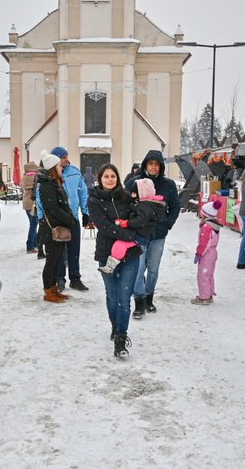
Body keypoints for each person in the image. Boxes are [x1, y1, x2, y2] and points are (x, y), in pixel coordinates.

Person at [87, 164, 142, 357]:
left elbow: (139, 217)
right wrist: (130, 234)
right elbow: (104, 226)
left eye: (113, 176)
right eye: (106, 177)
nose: (110, 180)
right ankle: (114, 324)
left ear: (117, 178)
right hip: (107, 255)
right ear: (100, 179)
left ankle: (121, 339)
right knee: (112, 296)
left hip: (130, 255)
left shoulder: (126, 197)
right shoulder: (93, 200)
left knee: (124, 299)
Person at [125, 150, 180, 318]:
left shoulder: (168, 184)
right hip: (139, 234)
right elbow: (125, 204)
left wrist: (167, 223)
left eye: (157, 164)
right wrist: (132, 223)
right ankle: (139, 300)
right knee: (139, 268)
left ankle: (149, 297)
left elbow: (175, 207)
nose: (153, 167)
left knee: (153, 269)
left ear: (161, 166)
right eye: (150, 164)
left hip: (159, 234)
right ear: (145, 165)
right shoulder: (134, 182)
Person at [44, 146, 89, 292]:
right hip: (59, 219)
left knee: (74, 250)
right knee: (59, 251)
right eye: (63, 158)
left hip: (73, 217)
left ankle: (75, 279)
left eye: (67, 156)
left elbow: (83, 192)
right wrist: (41, 217)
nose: (66, 160)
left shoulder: (75, 171)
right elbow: (40, 198)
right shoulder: (51, 175)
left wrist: (85, 212)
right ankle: (60, 278)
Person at [99, 178, 165, 275]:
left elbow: (140, 221)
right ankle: (112, 265)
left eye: (134, 193)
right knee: (120, 244)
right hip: (143, 234)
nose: (132, 195)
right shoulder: (149, 204)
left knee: (120, 244)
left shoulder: (145, 207)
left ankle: (111, 266)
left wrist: (126, 223)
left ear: (142, 193)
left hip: (140, 234)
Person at [37, 151, 76, 303]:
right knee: (51, 261)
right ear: (52, 168)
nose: (61, 168)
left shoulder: (54, 183)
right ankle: (48, 292)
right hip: (51, 229)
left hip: (58, 227)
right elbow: (53, 209)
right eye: (59, 166)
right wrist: (69, 220)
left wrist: (69, 218)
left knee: (56, 259)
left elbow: (61, 206)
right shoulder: (47, 185)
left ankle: (53, 289)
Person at [192, 200, 222, 305]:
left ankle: (204, 297)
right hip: (212, 253)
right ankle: (208, 294)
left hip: (206, 254)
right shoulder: (214, 225)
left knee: (203, 275)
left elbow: (204, 243)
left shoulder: (206, 227)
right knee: (209, 274)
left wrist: (199, 253)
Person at [21, 161, 39, 254]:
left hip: (26, 202)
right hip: (33, 203)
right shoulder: (36, 177)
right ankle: (30, 246)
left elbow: (22, 187)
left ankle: (35, 243)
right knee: (33, 224)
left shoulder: (24, 177)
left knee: (33, 223)